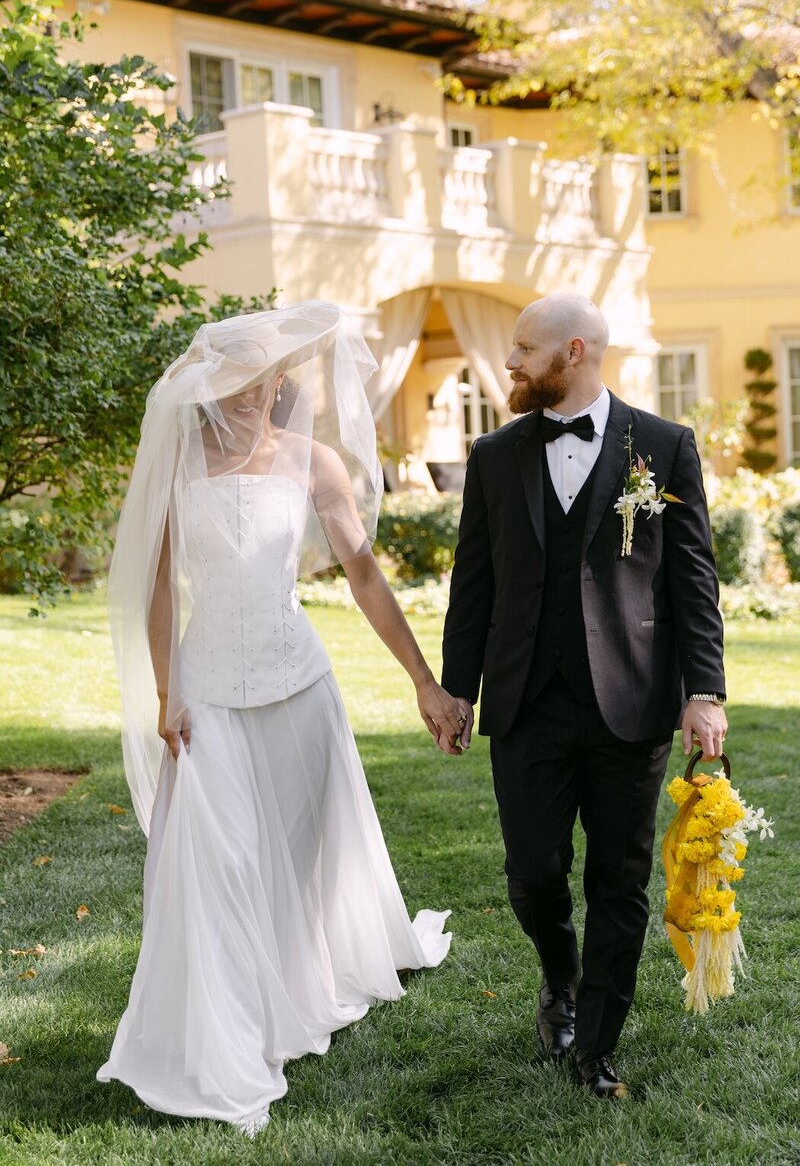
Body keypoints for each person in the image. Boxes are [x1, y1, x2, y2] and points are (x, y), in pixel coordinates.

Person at [97, 301, 464, 1136]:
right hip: (207, 689)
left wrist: (421, 678)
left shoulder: (312, 462)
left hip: (299, 685)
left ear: (278, 384)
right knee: (218, 862)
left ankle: (297, 982)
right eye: (236, 384)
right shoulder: (175, 466)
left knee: (301, 856)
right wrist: (166, 691)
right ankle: (226, 1034)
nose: (251, 398)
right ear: (208, 387)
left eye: (264, 383)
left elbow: (364, 575)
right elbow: (155, 585)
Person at [441, 293, 727, 1099]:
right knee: (532, 874)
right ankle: (559, 977)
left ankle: (596, 1047)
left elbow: (692, 578)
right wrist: (455, 690)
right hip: (527, 701)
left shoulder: (663, 448)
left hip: (632, 703)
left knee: (619, 880)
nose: (509, 364)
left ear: (572, 352)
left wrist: (704, 689)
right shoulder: (494, 455)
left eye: (523, 350)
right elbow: (475, 584)